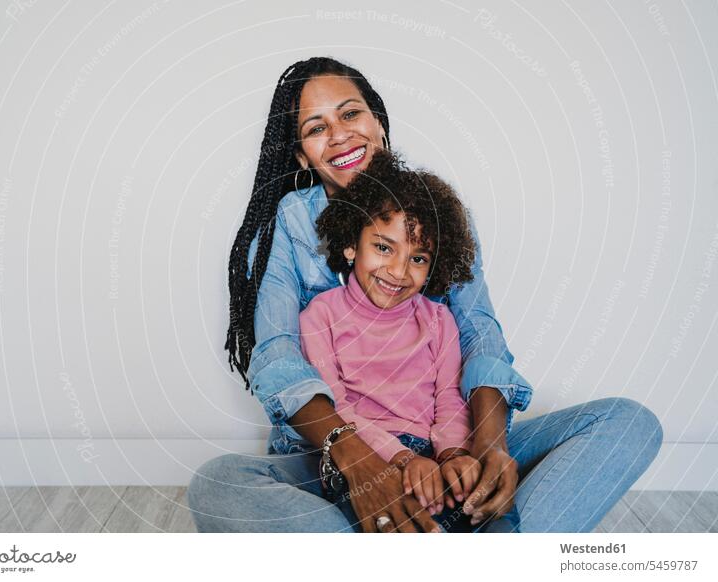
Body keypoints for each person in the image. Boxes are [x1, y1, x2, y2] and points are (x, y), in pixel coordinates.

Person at [187, 57, 663, 533]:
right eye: (317, 127)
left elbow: (478, 332)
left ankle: (461, 524)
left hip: (445, 445)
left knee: (627, 424)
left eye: (351, 114)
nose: (339, 135)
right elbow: (277, 355)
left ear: (378, 121)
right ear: (301, 156)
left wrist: (485, 449)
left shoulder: (437, 212)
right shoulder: (284, 227)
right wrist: (363, 467)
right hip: (336, 458)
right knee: (220, 484)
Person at [299, 149, 489, 533]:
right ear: (352, 244)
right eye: (384, 248)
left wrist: (453, 455)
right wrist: (401, 460)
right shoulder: (321, 316)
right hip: (362, 457)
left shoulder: (437, 320)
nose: (398, 271)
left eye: (418, 258)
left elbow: (449, 399)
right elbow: (337, 407)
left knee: (477, 506)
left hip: (431, 455)